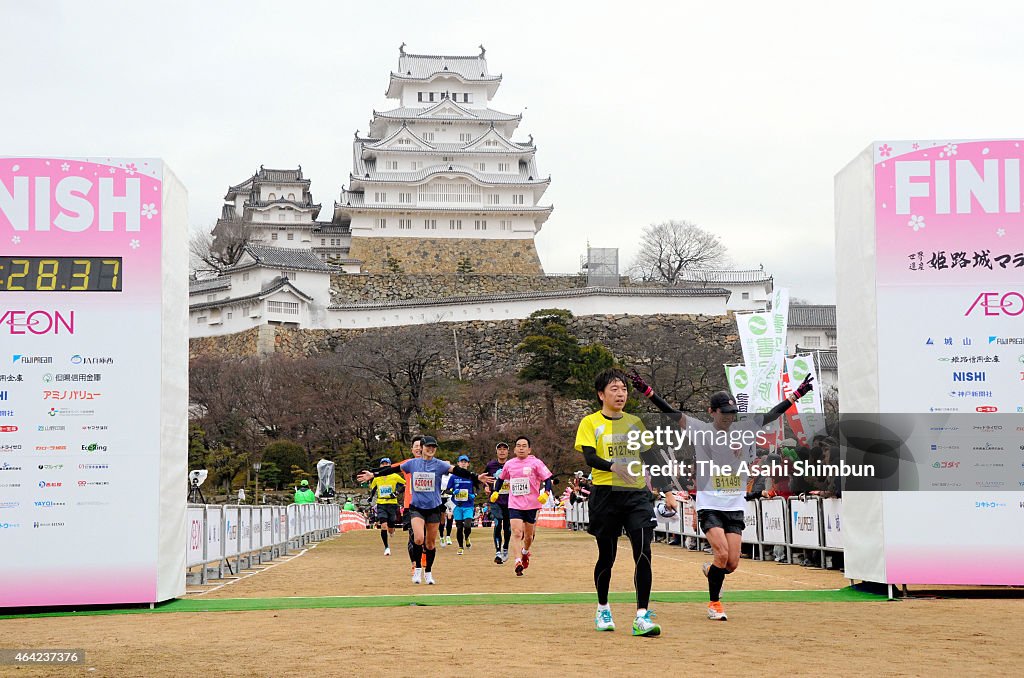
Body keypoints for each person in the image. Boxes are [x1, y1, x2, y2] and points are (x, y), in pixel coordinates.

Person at [630, 369, 813, 621]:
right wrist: (648, 392)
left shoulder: (743, 429)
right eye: (724, 413)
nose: (729, 417)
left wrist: (796, 395)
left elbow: (772, 415)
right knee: (722, 554)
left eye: (732, 413)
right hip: (710, 505)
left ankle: (713, 572)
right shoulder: (700, 429)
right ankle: (714, 604)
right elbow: (672, 413)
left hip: (734, 505)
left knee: (732, 563)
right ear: (712, 412)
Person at [574, 368, 676, 637]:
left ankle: (642, 616)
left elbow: (653, 458)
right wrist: (612, 467)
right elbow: (589, 458)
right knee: (607, 557)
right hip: (605, 494)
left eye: (624, 389)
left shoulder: (635, 422)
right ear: (601, 394)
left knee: (643, 552)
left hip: (636, 495)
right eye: (614, 390)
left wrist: (666, 490)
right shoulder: (589, 423)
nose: (621, 394)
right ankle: (603, 608)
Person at [358, 436, 491, 585]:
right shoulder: (412, 464)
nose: (431, 449)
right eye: (428, 446)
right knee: (418, 538)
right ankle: (418, 570)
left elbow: (458, 471)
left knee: (430, 544)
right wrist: (373, 474)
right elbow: (392, 469)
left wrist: (476, 477)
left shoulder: (439, 465)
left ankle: (428, 572)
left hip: (433, 508)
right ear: (422, 447)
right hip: (416, 508)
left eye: (434, 447)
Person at [489, 436, 552, 576]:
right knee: (517, 533)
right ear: (515, 449)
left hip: (531, 505)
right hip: (515, 504)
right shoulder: (510, 464)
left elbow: (547, 479)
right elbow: (500, 479)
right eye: (518, 445)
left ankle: (524, 553)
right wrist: (495, 492)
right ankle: (517, 561)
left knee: (529, 536)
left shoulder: (536, 463)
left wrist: (546, 493)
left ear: (529, 449)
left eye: (524, 446)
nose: (521, 448)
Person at [369, 457, 405, 556]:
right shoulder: (377, 477)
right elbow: (373, 488)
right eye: (382, 464)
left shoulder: (395, 476)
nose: (384, 465)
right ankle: (386, 547)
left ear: (390, 465)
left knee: (391, 525)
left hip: (392, 503)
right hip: (381, 503)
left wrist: (396, 493)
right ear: (380, 465)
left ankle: (392, 530)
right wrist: (370, 497)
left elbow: (405, 485)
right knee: (383, 525)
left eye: (386, 464)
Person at [485, 442, 513, 564]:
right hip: (495, 499)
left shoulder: (513, 464)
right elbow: (484, 478)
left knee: (507, 527)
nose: (502, 451)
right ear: (496, 451)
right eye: (500, 449)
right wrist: (486, 486)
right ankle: (498, 552)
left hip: (510, 500)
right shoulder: (491, 465)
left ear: (508, 452)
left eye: (504, 449)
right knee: (497, 523)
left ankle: (505, 548)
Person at [446, 454, 479, 555]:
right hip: (457, 505)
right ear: (458, 463)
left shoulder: (471, 476)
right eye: (462, 461)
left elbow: (478, 488)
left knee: (468, 526)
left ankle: (467, 537)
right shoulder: (453, 477)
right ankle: (460, 547)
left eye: (465, 462)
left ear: (468, 464)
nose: (463, 463)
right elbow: (447, 490)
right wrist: (453, 493)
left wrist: (474, 495)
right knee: (459, 527)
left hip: (468, 505)